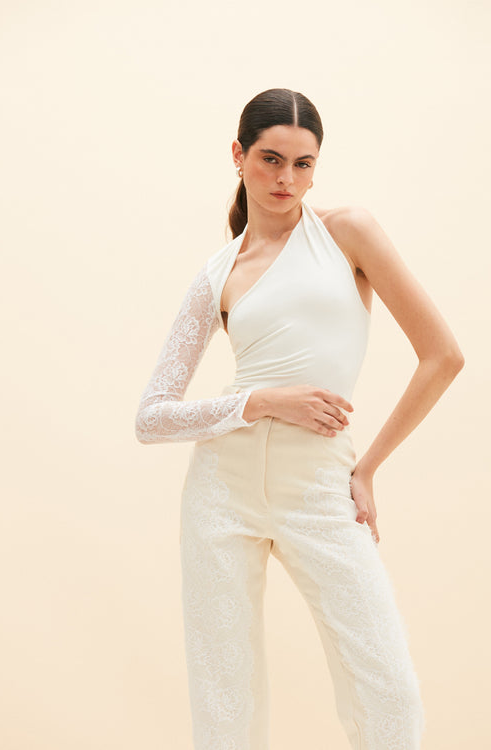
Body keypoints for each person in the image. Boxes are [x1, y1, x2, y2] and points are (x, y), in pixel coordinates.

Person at [134, 87, 464, 750]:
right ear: (238, 155)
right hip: (220, 493)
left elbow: (443, 356)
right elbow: (152, 418)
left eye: (303, 164)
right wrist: (260, 401)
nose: (287, 178)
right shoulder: (217, 273)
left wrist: (367, 468)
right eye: (271, 159)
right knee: (224, 705)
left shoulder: (347, 232)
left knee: (389, 693)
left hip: (319, 485)